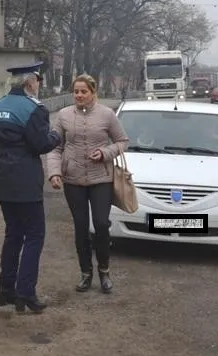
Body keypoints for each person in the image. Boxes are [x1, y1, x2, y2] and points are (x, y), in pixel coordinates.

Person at [0, 61, 62, 314]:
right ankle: (25, 292)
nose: (38, 85)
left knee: (13, 234)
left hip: (3, 177)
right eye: (37, 80)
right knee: (34, 235)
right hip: (26, 179)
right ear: (30, 82)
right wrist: (56, 137)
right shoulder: (34, 109)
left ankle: (5, 290)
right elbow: (41, 144)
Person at [47, 74, 129, 294]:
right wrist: (54, 173)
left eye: (84, 91)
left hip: (101, 178)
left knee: (101, 224)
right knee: (81, 226)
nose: (79, 95)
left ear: (93, 93)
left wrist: (105, 153)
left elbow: (123, 142)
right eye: (76, 92)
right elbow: (55, 147)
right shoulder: (63, 115)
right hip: (73, 180)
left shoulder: (107, 114)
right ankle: (85, 273)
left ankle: (104, 271)